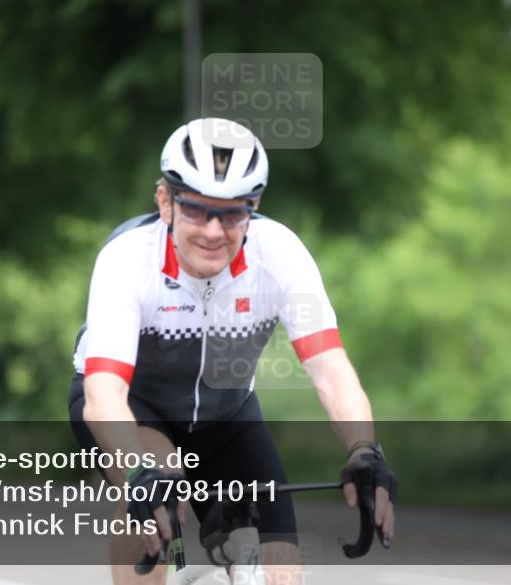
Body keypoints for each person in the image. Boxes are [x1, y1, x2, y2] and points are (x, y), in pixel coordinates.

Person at [68, 118, 396, 585]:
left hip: (227, 417)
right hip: (131, 407)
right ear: (166, 202)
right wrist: (136, 472)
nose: (215, 231)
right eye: (198, 210)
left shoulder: (279, 255)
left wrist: (365, 450)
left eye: (234, 213)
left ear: (254, 208)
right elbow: (104, 391)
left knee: (280, 573)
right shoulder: (127, 260)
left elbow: (331, 371)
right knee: (156, 488)